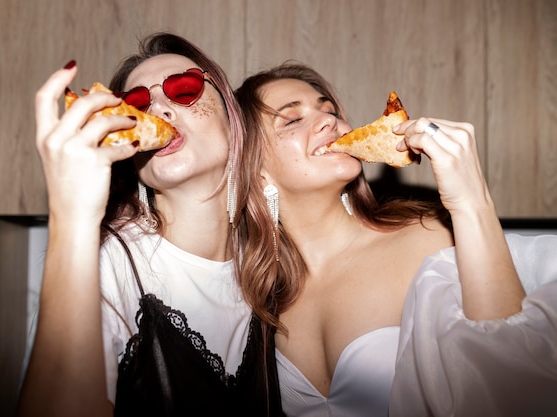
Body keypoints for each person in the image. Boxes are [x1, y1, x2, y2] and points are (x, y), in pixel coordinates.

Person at [234, 62, 557, 417]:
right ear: (253, 164)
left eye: (330, 110)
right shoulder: (254, 296)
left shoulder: (427, 239)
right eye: (292, 120)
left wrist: (470, 199)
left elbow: (514, 382)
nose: (332, 122)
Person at [16, 33, 283, 417]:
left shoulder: (272, 259)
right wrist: (71, 217)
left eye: (184, 89)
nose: (157, 109)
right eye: (138, 105)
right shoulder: (107, 267)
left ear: (233, 116)